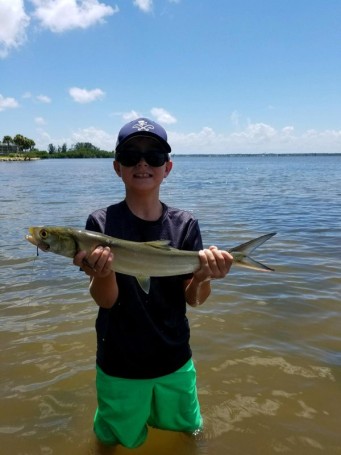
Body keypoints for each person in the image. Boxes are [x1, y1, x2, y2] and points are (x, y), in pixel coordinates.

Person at [73, 117, 233, 448]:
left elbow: (195, 300)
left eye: (154, 155)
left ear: (167, 167)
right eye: (131, 155)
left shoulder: (185, 225)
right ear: (117, 167)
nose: (143, 163)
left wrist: (203, 277)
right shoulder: (100, 225)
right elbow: (106, 301)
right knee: (113, 441)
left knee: (189, 436)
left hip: (175, 358)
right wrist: (104, 274)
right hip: (119, 364)